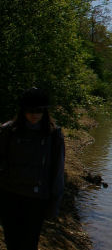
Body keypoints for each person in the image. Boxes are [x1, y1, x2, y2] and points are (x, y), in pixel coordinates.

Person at [0, 88, 64, 250]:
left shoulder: (53, 134)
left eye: (39, 110)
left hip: (36, 200)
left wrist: (54, 203)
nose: (34, 114)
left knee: (29, 243)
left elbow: (57, 171)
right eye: (30, 110)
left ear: (45, 111)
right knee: (12, 242)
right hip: (10, 195)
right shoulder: (8, 131)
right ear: (22, 111)